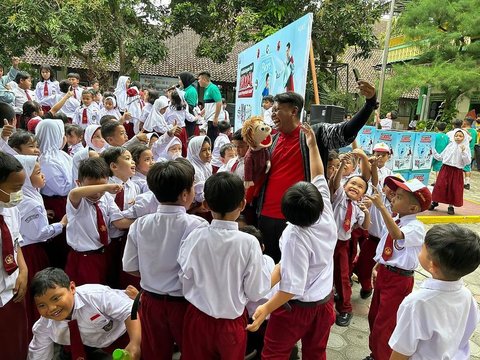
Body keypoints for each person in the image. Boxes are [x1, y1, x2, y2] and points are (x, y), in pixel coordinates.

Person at [247, 123, 337, 359]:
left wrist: (266, 307)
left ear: (286, 215)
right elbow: (319, 173)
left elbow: (291, 287)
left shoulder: (295, 236)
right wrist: (312, 145)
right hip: (324, 301)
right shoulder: (325, 210)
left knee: (274, 353)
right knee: (316, 353)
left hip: (297, 309)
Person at [258, 83, 376, 262]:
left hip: (299, 222)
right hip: (266, 217)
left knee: (295, 274)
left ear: (293, 111)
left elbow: (346, 131)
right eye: (272, 110)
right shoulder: (271, 139)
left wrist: (369, 103)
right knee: (268, 268)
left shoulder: (315, 133)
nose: (273, 114)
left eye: (277, 110)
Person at [178, 171, 270, 359]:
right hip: (231, 324)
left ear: (206, 205)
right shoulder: (249, 243)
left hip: (197, 318)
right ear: (242, 204)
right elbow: (256, 291)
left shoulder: (195, 236)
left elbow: (184, 275)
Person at [123, 159, 208, 360]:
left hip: (151, 300)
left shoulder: (140, 224)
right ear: (185, 194)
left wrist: (154, 275)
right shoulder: (197, 225)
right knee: (191, 351)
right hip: (185, 303)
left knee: (155, 353)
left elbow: (130, 266)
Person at [363, 176, 432, 360]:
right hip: (385, 273)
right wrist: (378, 265)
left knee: (386, 323)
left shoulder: (416, 227)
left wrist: (381, 207)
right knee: (374, 316)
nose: (393, 198)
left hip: (399, 279)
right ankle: (375, 353)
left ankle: (382, 356)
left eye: (399, 197)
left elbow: (396, 236)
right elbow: (388, 249)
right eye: (394, 195)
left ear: (413, 208)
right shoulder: (397, 219)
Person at [388, 224, 480, 360]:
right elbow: (467, 331)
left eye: (423, 247)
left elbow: (402, 350)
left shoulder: (416, 303)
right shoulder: (467, 295)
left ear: (432, 265)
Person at [28, 267, 141, 360]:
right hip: (91, 345)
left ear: (72, 288)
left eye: (56, 298)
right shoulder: (43, 326)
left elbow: (129, 311)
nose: (51, 308)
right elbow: (38, 354)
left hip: (129, 331)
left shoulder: (95, 296)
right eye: (42, 305)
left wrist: (135, 343)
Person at [15, 155, 67, 337]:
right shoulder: (30, 203)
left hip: (25, 250)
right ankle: (42, 333)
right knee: (40, 292)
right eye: (37, 172)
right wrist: (61, 224)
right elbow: (39, 233)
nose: (43, 175)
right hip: (32, 252)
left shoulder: (26, 197)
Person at [64, 157, 132, 286]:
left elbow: (118, 222)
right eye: (93, 187)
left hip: (104, 254)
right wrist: (105, 186)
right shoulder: (77, 200)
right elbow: (74, 193)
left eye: (101, 186)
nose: (97, 192)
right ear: (79, 182)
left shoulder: (106, 197)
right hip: (84, 258)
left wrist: (143, 219)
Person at [331, 153, 370, 326]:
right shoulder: (338, 197)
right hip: (325, 242)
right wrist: (341, 166)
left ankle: (345, 309)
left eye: (360, 187)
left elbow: (365, 226)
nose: (355, 187)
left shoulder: (358, 207)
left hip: (341, 244)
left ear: (363, 194)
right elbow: (336, 183)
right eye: (352, 183)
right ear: (344, 185)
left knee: (343, 276)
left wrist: (367, 212)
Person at [0, 152, 29, 360]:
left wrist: (24, 268)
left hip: (14, 292)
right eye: (15, 188)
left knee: (16, 346)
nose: (19, 194)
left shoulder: (10, 209)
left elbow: (16, 240)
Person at [35, 119, 74, 269]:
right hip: (56, 204)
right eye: (61, 134)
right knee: (60, 242)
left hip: (66, 199)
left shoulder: (61, 155)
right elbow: (62, 188)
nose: (64, 138)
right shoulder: (46, 161)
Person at [102, 147, 140, 288]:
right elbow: (118, 222)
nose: (133, 162)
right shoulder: (106, 188)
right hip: (109, 242)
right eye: (127, 158)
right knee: (109, 275)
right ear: (113, 166)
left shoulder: (133, 186)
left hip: (127, 238)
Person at [430, 128, 471, 215]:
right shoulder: (450, 146)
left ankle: (450, 206)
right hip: (445, 168)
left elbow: (467, 162)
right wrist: (433, 151)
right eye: (456, 135)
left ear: (464, 138)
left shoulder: (466, 148)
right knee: (440, 185)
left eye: (460, 136)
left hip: (457, 171)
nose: (458, 137)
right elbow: (441, 157)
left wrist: (463, 152)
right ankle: (435, 202)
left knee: (453, 188)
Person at [197, 71, 224, 146]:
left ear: (204, 79)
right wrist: (202, 112)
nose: (198, 81)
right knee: (210, 139)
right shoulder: (207, 89)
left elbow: (219, 103)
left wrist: (216, 117)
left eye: (199, 79)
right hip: (209, 118)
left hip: (213, 119)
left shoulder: (213, 88)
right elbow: (210, 104)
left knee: (212, 140)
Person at [462, 117, 477, 190]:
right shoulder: (475, 131)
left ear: (465, 122)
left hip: (464, 151)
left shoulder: (464, 131)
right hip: (471, 151)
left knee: (460, 167)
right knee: (468, 167)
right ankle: (467, 182)